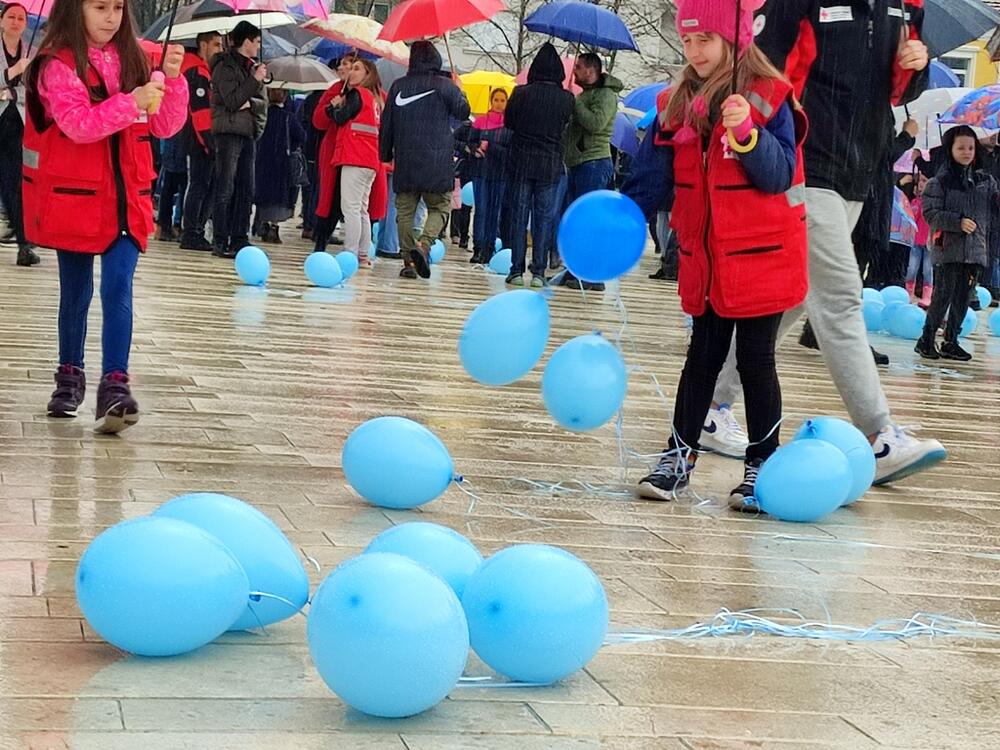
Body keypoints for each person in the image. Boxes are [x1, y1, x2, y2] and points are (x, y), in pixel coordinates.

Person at [707, 0, 946, 485]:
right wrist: (749, 149)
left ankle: (710, 408)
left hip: (859, 170)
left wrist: (916, 65)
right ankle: (880, 437)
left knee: (796, 296)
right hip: (803, 162)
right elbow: (763, 68)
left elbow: (897, 89)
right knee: (839, 298)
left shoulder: (906, 7)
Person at [621, 0, 808, 509]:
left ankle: (761, 466)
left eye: (704, 39)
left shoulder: (769, 97)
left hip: (763, 255)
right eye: (686, 41)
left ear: (733, 38)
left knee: (755, 359)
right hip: (706, 257)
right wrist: (620, 219)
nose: (694, 51)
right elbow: (652, 178)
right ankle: (677, 457)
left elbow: (778, 175)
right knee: (700, 357)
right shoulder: (675, 102)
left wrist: (747, 135)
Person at [22, 0, 187, 431]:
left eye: (117, 7)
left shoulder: (137, 58)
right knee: (75, 294)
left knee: (119, 287)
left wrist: (170, 82)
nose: (111, 17)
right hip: (75, 197)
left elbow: (163, 126)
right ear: (75, 10)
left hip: (127, 200)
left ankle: (115, 383)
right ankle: (69, 375)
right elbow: (78, 123)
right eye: (99, 7)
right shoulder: (55, 65)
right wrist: (131, 100)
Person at [378, 41, 470, 279]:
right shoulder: (446, 86)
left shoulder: (398, 86)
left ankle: (408, 261)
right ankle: (425, 244)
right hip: (438, 161)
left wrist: (385, 155)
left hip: (406, 159)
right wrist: (459, 88)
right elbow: (463, 112)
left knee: (405, 212)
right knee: (439, 207)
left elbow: (387, 125)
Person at [915, 126, 997, 362]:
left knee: (963, 297)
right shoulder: (939, 182)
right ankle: (927, 339)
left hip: (975, 250)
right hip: (948, 248)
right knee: (943, 296)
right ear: (950, 149)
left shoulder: (985, 181)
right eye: (961, 147)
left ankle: (951, 340)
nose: (967, 152)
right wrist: (957, 222)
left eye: (971, 147)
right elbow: (931, 213)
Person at [502, 43, 574, 288]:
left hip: (521, 162)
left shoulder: (521, 93)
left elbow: (509, 122)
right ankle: (539, 272)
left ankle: (516, 270)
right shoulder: (566, 98)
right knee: (543, 219)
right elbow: (567, 126)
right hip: (550, 164)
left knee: (519, 217)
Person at [560, 52, 621, 291]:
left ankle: (591, 275)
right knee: (577, 219)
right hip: (579, 162)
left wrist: (575, 104)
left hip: (594, 163)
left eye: (578, 67)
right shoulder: (587, 95)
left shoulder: (606, 96)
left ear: (591, 70)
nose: (574, 72)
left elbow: (596, 124)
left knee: (589, 221)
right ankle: (576, 269)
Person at [209, 20, 267, 259]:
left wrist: (251, 101)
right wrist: (253, 81)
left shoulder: (251, 67)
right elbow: (232, 100)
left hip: (248, 130)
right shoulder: (225, 66)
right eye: (257, 42)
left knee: (247, 187)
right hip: (228, 131)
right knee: (226, 186)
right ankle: (220, 239)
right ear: (247, 42)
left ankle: (240, 237)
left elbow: (263, 102)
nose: (259, 46)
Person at [327, 57, 387, 265]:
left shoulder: (357, 95)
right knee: (362, 208)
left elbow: (340, 118)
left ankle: (350, 252)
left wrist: (335, 106)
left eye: (356, 68)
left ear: (367, 74)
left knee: (351, 208)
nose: (351, 72)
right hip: (370, 159)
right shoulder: (375, 98)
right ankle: (363, 253)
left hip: (354, 155)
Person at [0, 2, 38, 267]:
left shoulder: (32, 50)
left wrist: (29, 72)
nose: (15, 22)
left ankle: (24, 243)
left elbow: (38, 86)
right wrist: (13, 71)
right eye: (11, 17)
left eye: (21, 18)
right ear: (2, 20)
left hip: (18, 120)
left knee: (14, 180)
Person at [179, 30, 223, 252]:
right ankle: (192, 232)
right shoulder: (197, 71)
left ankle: (195, 230)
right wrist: (209, 142)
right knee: (199, 185)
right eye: (216, 45)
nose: (219, 50)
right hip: (199, 138)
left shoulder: (202, 70)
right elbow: (200, 112)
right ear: (203, 45)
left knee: (203, 185)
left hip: (200, 137)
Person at [311, 53, 355, 254]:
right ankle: (321, 240)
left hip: (356, 152)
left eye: (347, 64)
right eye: (341, 64)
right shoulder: (335, 90)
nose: (341, 68)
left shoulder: (367, 92)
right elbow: (318, 120)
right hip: (333, 150)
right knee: (329, 197)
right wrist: (332, 107)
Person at [253, 88, 304, 244]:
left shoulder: (262, 115)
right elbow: (302, 136)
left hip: (262, 160)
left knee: (263, 193)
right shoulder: (289, 117)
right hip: (282, 161)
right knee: (279, 196)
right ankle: (274, 227)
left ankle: (263, 223)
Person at [468, 88, 510, 263]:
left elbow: (510, 150)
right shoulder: (480, 122)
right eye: (496, 100)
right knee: (481, 210)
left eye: (502, 100)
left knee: (494, 211)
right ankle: (478, 247)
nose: (499, 104)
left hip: (499, 173)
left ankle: (489, 246)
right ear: (491, 101)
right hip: (481, 172)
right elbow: (469, 141)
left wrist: (491, 146)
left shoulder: (509, 125)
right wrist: (474, 149)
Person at [905, 171, 933, 306]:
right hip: (915, 241)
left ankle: (927, 295)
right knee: (912, 268)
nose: (922, 184)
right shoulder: (915, 201)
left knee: (928, 270)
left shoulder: (933, 202)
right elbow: (911, 218)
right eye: (921, 180)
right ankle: (908, 292)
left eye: (925, 180)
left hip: (929, 241)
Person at [155, 131, 187, 241]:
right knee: (181, 185)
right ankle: (174, 226)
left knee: (170, 185)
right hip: (178, 140)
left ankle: (164, 226)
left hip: (171, 138)